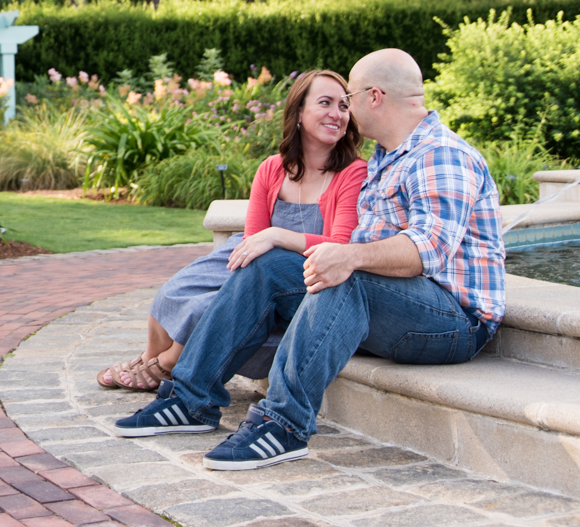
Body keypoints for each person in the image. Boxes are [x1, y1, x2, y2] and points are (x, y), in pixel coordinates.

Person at [114, 49, 505, 473]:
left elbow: (426, 250)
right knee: (268, 262)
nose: (346, 109)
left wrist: (347, 257)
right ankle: (190, 401)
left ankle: (283, 425)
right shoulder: (388, 158)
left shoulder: (439, 154)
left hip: (453, 321)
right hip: (391, 304)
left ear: (374, 96)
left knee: (345, 271)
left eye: (349, 97)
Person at [97, 69, 367, 391]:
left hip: (301, 273)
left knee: (202, 310)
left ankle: (165, 366)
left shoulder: (353, 172)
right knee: (171, 292)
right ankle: (150, 358)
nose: (337, 114)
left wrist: (277, 236)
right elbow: (253, 238)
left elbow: (339, 245)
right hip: (250, 254)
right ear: (298, 112)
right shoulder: (272, 167)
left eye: (343, 106)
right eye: (325, 103)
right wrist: (264, 239)